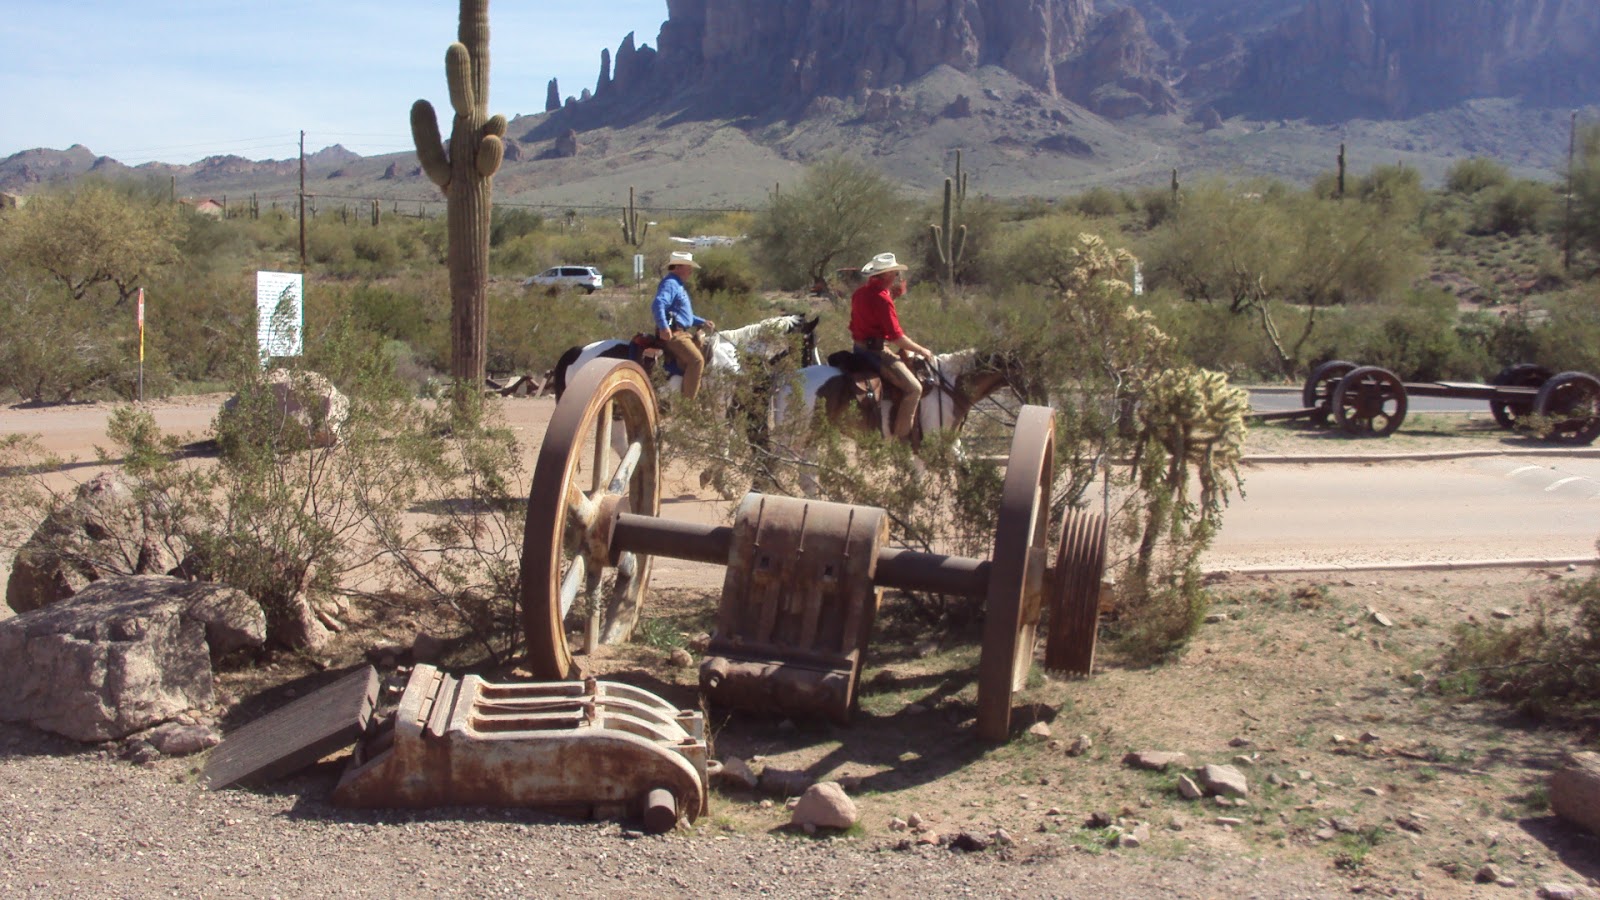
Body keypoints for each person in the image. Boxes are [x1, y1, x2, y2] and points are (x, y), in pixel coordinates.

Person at [849, 252, 934, 440]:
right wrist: (921, 350)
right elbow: (897, 337)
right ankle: (900, 439)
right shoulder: (882, 298)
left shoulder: (859, 293)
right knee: (914, 389)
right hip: (875, 352)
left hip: (858, 349)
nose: (897, 277)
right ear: (887, 275)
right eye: (895, 273)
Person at [651, 250, 716, 400]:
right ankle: (688, 405)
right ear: (678, 267)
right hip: (675, 334)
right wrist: (663, 327)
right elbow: (658, 303)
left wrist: (702, 321)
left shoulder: (678, 285)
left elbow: (683, 315)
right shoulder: (671, 283)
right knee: (697, 361)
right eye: (688, 267)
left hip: (681, 331)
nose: (691, 271)